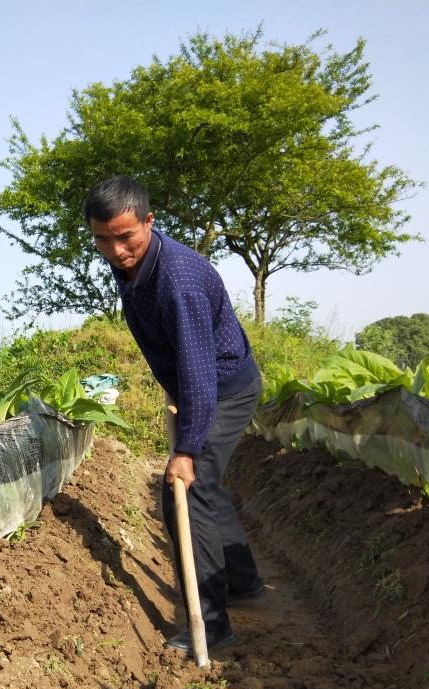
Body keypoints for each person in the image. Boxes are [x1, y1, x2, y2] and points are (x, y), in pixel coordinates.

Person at [84, 175, 265, 654]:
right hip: (201, 386)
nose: (117, 250)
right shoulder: (135, 266)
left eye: (126, 236)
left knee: (185, 489)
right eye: (103, 239)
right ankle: (243, 581)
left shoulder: (178, 281)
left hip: (223, 388)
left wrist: (186, 448)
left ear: (149, 221)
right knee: (204, 485)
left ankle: (212, 624)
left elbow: (200, 370)